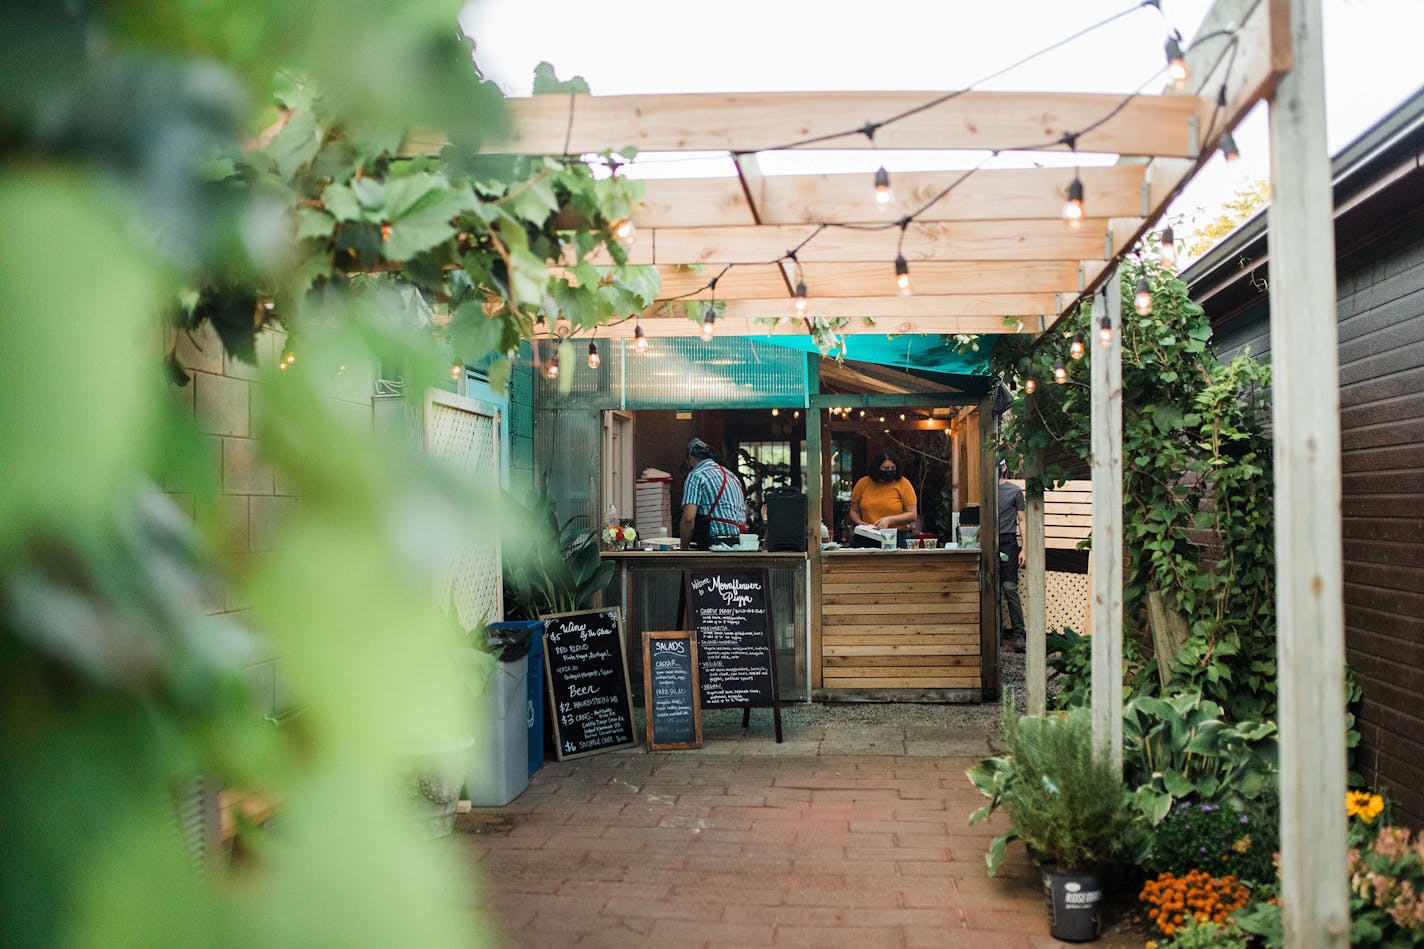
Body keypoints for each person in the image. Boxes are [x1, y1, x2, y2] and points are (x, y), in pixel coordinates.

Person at [678, 438, 746, 550]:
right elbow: (745, 511)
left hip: (714, 546)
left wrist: (683, 550)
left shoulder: (696, 475)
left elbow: (688, 518)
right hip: (738, 545)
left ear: (691, 458)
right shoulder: (731, 476)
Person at [849, 451, 917, 543]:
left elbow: (912, 514)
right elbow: (854, 510)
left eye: (892, 468)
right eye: (885, 468)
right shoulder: (863, 483)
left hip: (896, 536)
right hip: (868, 535)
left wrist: (889, 520)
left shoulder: (903, 484)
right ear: (877, 468)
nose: (889, 471)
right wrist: (860, 523)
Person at [998, 459, 1027, 650]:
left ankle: (1019, 635)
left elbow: (1022, 520)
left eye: (999, 464)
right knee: (990, 590)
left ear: (1004, 467)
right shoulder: (984, 492)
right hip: (987, 540)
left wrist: (1024, 548)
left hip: (1008, 543)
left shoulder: (1015, 491)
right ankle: (995, 635)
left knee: (1009, 588)